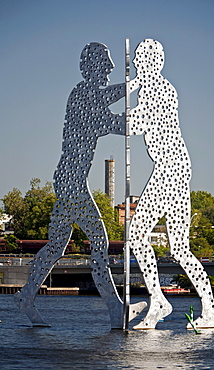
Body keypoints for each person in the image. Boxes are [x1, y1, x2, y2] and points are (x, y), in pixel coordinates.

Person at [14, 42, 146, 329]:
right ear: (93, 67)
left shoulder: (86, 95)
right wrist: (142, 98)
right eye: (107, 63)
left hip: (67, 180)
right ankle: (116, 311)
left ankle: (25, 296)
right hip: (72, 183)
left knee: (57, 246)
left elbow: (111, 98)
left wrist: (136, 84)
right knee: (99, 242)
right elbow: (115, 122)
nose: (111, 68)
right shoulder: (83, 95)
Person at [129, 39, 214, 329]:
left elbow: (136, 123)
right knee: (179, 248)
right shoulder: (155, 87)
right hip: (174, 168)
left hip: (170, 169)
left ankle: (159, 299)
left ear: (153, 63)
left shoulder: (158, 89)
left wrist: (102, 119)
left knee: (136, 235)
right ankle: (208, 309)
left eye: (141, 61)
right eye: (137, 60)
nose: (138, 65)